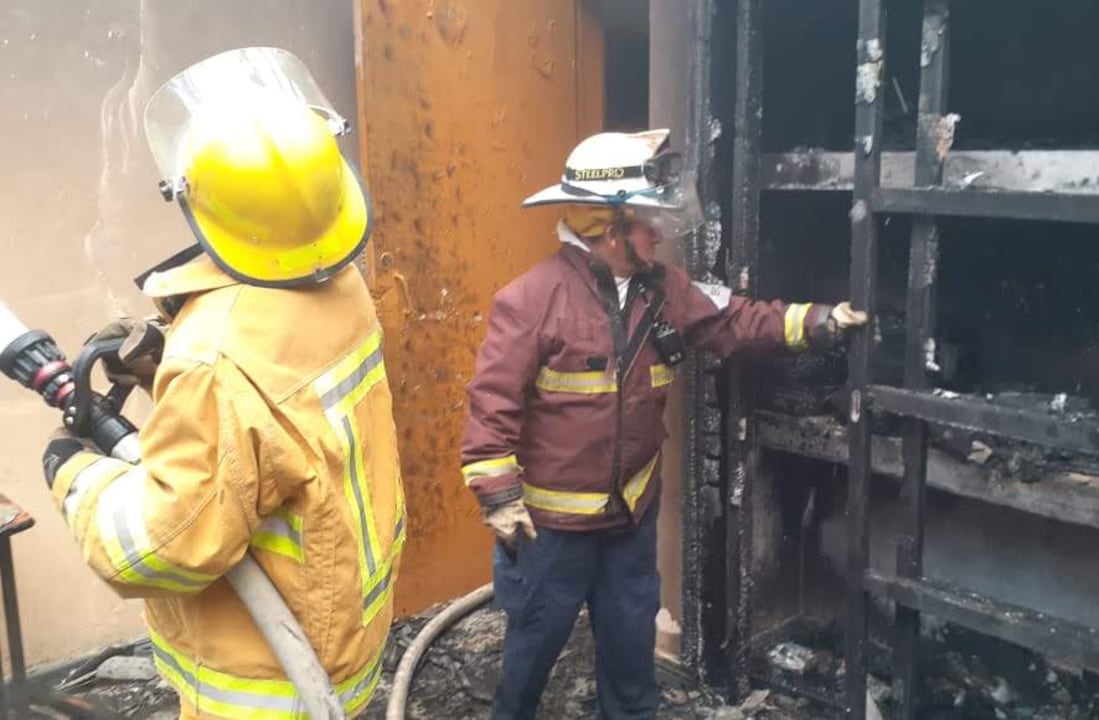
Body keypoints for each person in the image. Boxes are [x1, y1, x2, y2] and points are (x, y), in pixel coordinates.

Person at [39, 47, 404, 719]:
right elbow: (279, 429)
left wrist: (75, 475)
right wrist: (167, 362)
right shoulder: (342, 285)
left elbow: (163, 546)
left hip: (267, 682)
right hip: (345, 624)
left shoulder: (215, 361)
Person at [461, 128, 867, 719]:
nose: (659, 234)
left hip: (629, 517)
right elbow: (491, 402)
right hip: (551, 530)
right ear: (610, 229)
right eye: (649, 221)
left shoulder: (664, 289)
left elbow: (733, 320)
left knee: (630, 649)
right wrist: (499, 496)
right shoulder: (532, 300)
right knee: (533, 647)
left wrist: (819, 321)